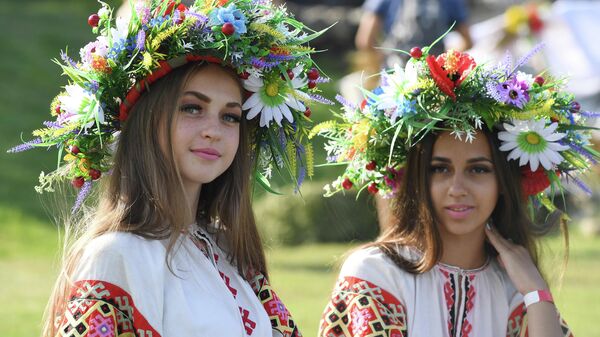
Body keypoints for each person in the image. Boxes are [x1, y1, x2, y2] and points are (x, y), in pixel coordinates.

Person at [8, 1, 329, 336]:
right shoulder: (116, 257)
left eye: (230, 116)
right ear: (147, 122)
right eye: (192, 108)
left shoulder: (227, 250)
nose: (213, 130)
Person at [314, 43, 600, 335]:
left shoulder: (516, 289)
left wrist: (538, 293)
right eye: (440, 169)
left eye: (478, 169)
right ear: (417, 179)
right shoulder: (376, 275)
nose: (457, 188)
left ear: (503, 182)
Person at [355, 0, 473, 68]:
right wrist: (447, 58)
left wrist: (383, 57)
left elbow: (365, 41)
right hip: (435, 78)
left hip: (396, 72)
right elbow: (467, 41)